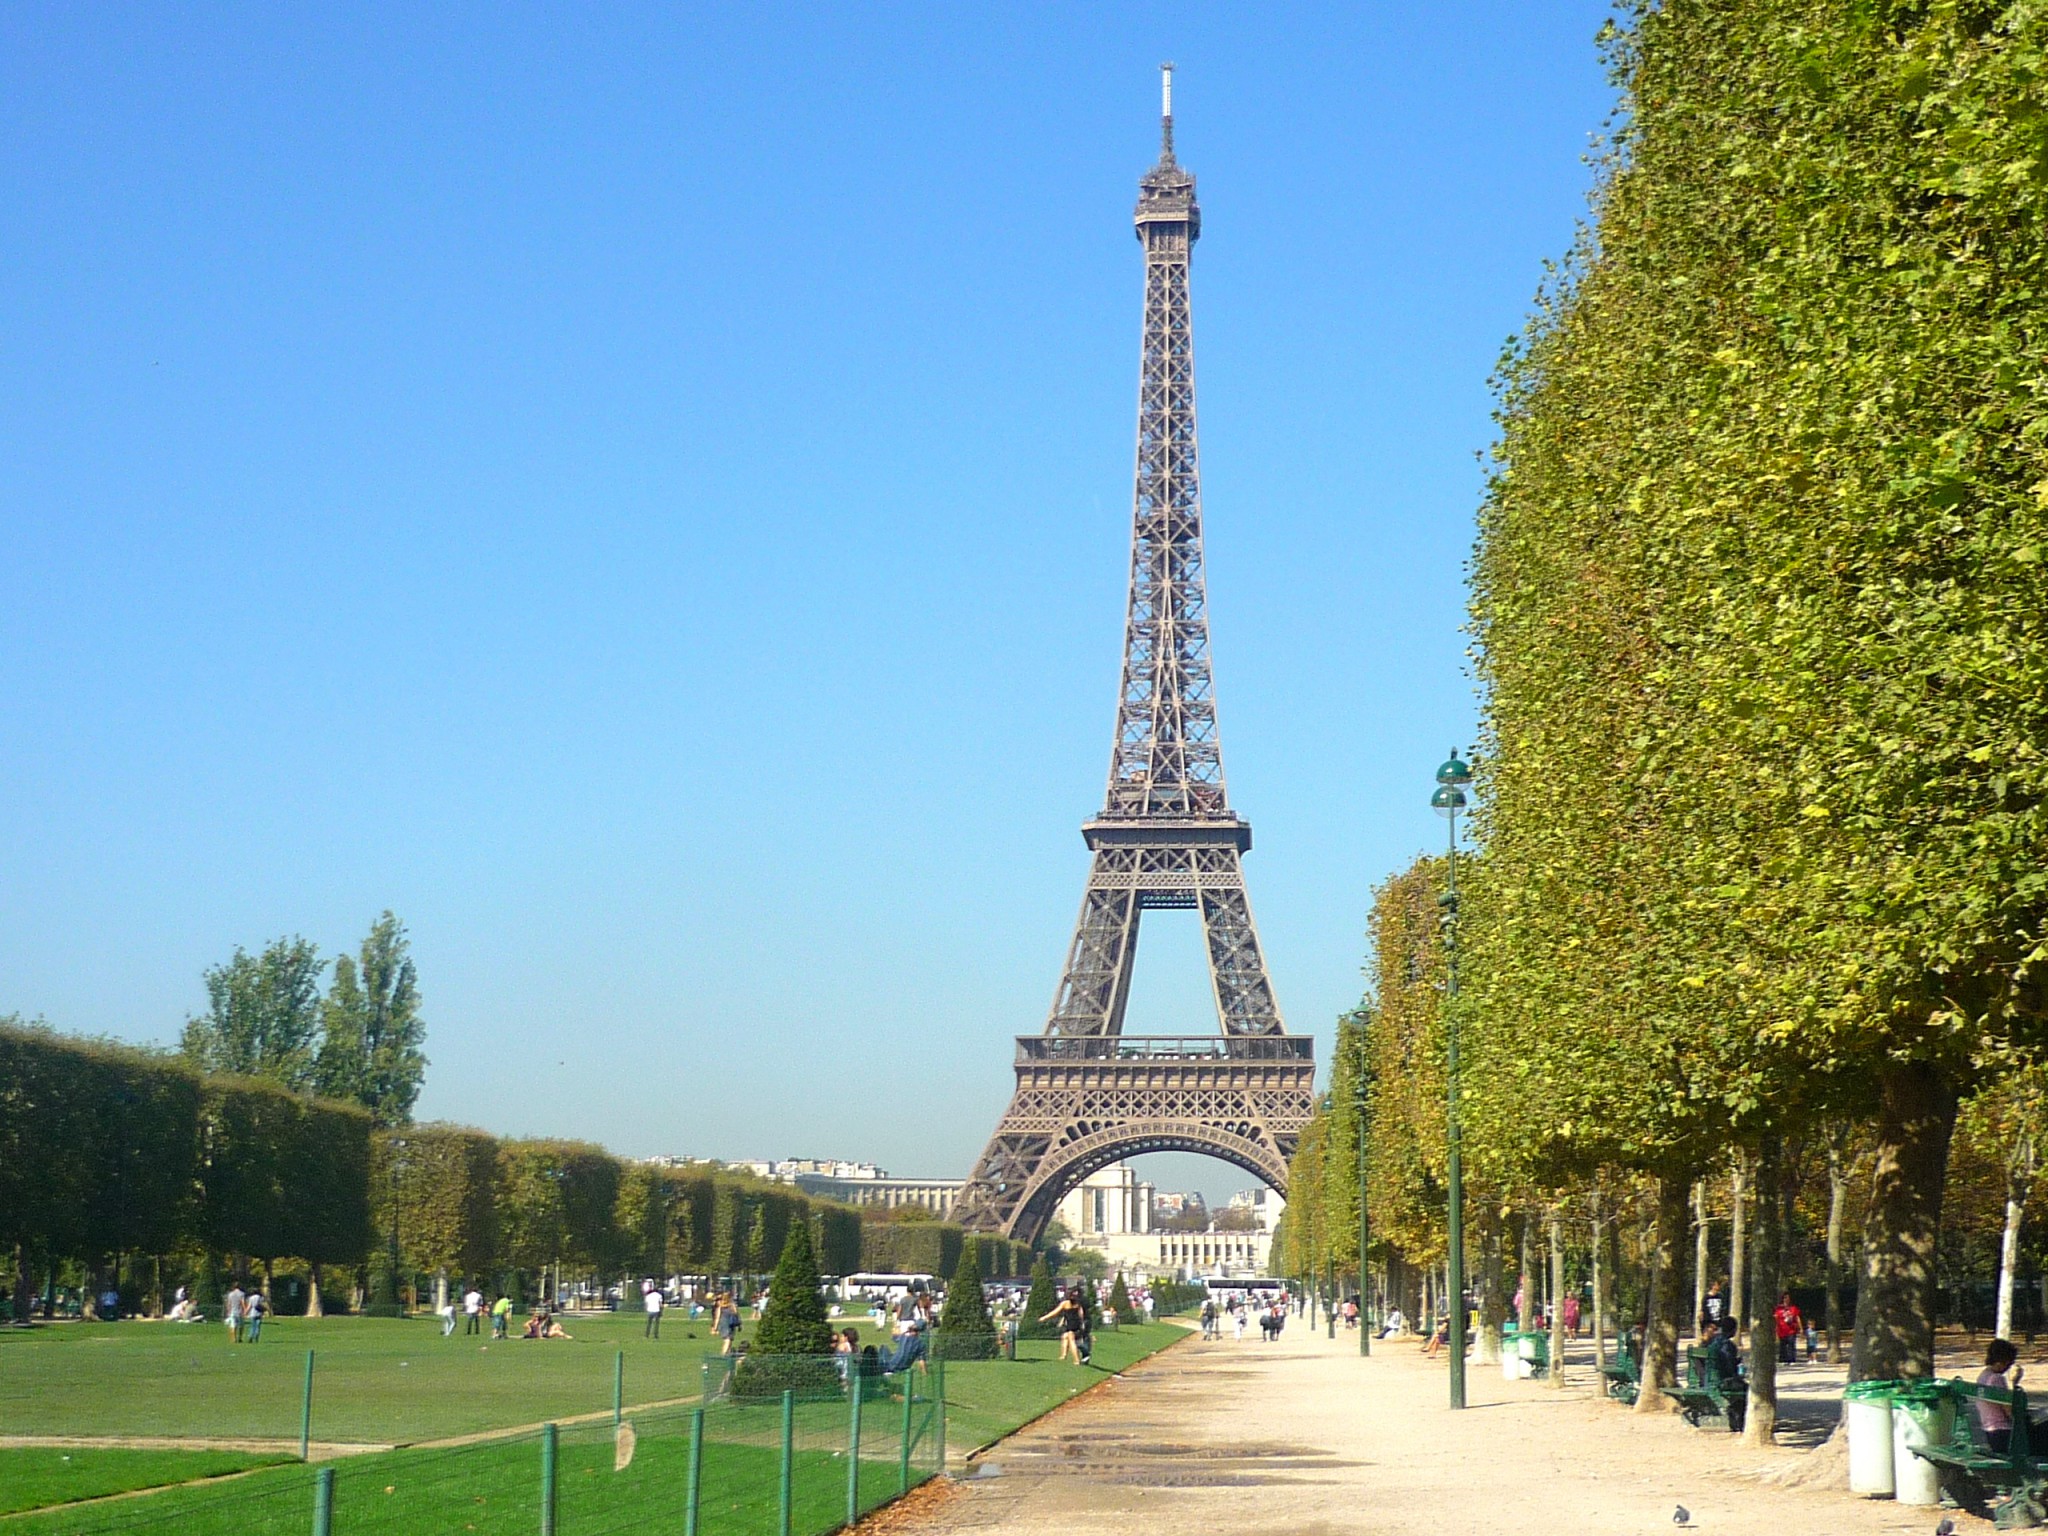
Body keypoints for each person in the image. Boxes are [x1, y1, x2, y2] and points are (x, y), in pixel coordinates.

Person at [1977, 1340, 2023, 1453]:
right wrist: (2014, 1383)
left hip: (1990, 1431)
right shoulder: (1997, 1379)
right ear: (2002, 1362)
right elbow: (2010, 1411)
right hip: (2003, 1434)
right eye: (2009, 1363)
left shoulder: (1983, 1375)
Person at [1700, 1320, 1746, 1432]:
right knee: (1747, 1389)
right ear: (1733, 1330)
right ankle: (1737, 1420)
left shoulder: (1714, 1341)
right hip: (1720, 1382)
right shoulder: (1727, 1345)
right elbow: (1729, 1366)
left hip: (1708, 1379)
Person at [1041, 1288, 1087, 1364]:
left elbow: (1055, 1312)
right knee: (1064, 1337)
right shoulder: (1077, 1303)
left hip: (1071, 1324)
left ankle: (1076, 1360)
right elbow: (1081, 1314)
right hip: (1076, 1323)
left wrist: (1045, 1317)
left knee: (1071, 1340)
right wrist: (1082, 1323)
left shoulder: (1065, 1303)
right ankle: (1063, 1355)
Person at [1772, 1292, 1803, 1365]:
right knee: (1782, 1345)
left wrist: (1801, 1328)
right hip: (1781, 1329)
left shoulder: (1793, 1308)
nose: (1786, 1299)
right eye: (1785, 1298)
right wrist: (1775, 1328)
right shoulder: (1779, 1308)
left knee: (1791, 1344)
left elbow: (1797, 1318)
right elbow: (1776, 1318)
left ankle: (1791, 1359)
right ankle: (1783, 1359)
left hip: (1791, 1329)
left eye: (1788, 1298)